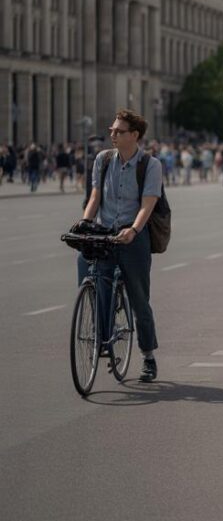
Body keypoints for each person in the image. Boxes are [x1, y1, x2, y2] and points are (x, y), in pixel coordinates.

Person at [76, 110, 164, 382]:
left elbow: (148, 204)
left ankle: (148, 356)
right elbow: (95, 197)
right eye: (111, 130)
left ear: (134, 135)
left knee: (139, 299)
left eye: (119, 131)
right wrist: (84, 223)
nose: (112, 134)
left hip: (133, 235)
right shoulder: (102, 160)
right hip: (104, 231)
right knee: (85, 267)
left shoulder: (150, 164)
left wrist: (134, 230)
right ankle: (102, 331)